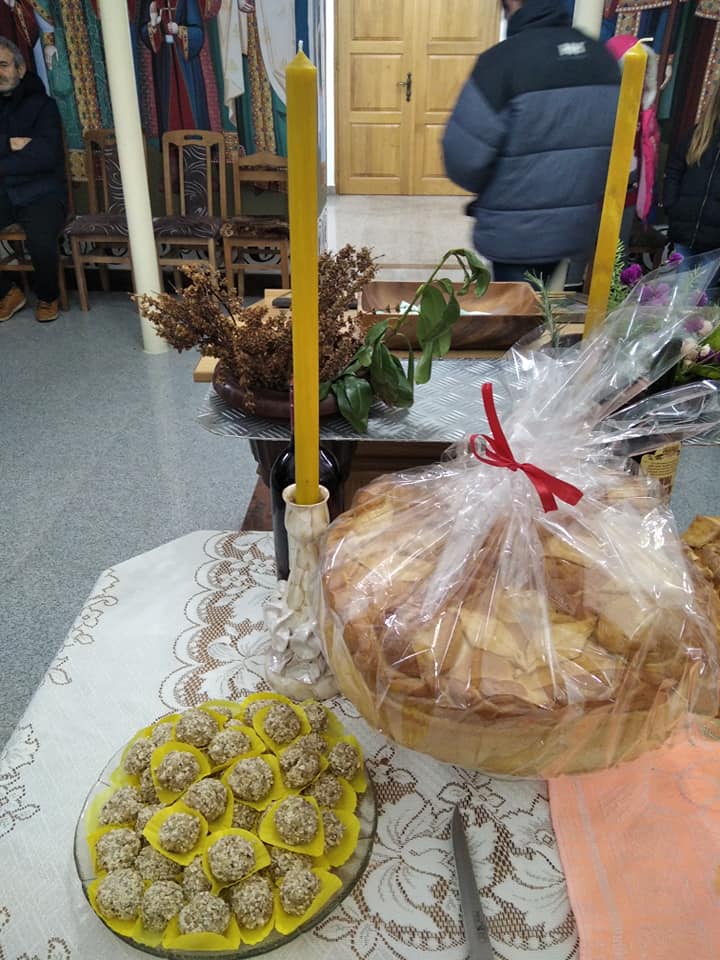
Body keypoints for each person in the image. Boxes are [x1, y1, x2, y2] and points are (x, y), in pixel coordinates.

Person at [442, 0, 621, 284]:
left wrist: (492, 187)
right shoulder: (602, 58)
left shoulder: (503, 63)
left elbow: (462, 159)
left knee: (515, 308)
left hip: (515, 235)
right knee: (545, 302)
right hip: (575, 228)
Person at [0, 36, 66, 323]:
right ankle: (7, 292)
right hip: (4, 191)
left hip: (42, 191)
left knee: (40, 239)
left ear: (20, 68)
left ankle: (48, 296)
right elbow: (29, 155)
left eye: (3, 65)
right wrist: (9, 144)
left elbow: (45, 156)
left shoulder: (43, 106)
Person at [663, 81, 720, 259]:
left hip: (715, 246)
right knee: (681, 278)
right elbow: (674, 170)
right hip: (684, 234)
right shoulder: (697, 134)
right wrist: (672, 205)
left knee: (705, 280)